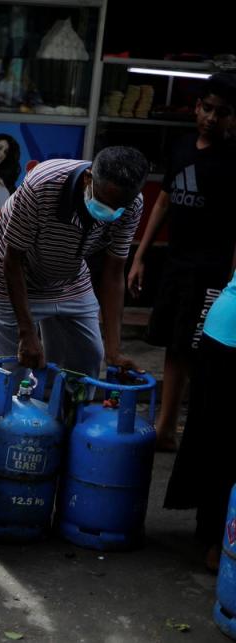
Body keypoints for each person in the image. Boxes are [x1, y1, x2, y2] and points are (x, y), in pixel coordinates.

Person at [127, 72, 236, 451]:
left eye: (221, 113)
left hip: (211, 270)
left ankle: (176, 428)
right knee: (173, 345)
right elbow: (164, 201)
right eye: (207, 108)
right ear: (196, 108)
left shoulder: (232, 161)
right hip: (176, 263)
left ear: (231, 118)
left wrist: (232, 280)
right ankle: (167, 427)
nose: (211, 117)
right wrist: (139, 255)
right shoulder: (182, 147)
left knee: (195, 349)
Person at [0, 146, 149, 381]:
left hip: (70, 277)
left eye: (117, 207)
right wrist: (27, 333)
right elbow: (13, 260)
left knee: (89, 357)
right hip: (13, 275)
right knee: (14, 371)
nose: (108, 211)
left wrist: (114, 351)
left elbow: (113, 273)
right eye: (103, 201)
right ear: (88, 178)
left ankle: (66, 415)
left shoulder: (132, 202)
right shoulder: (43, 184)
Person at [164, 268, 236, 572]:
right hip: (228, 339)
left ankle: (213, 539)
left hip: (221, 329)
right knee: (224, 444)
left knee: (216, 438)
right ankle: (216, 544)